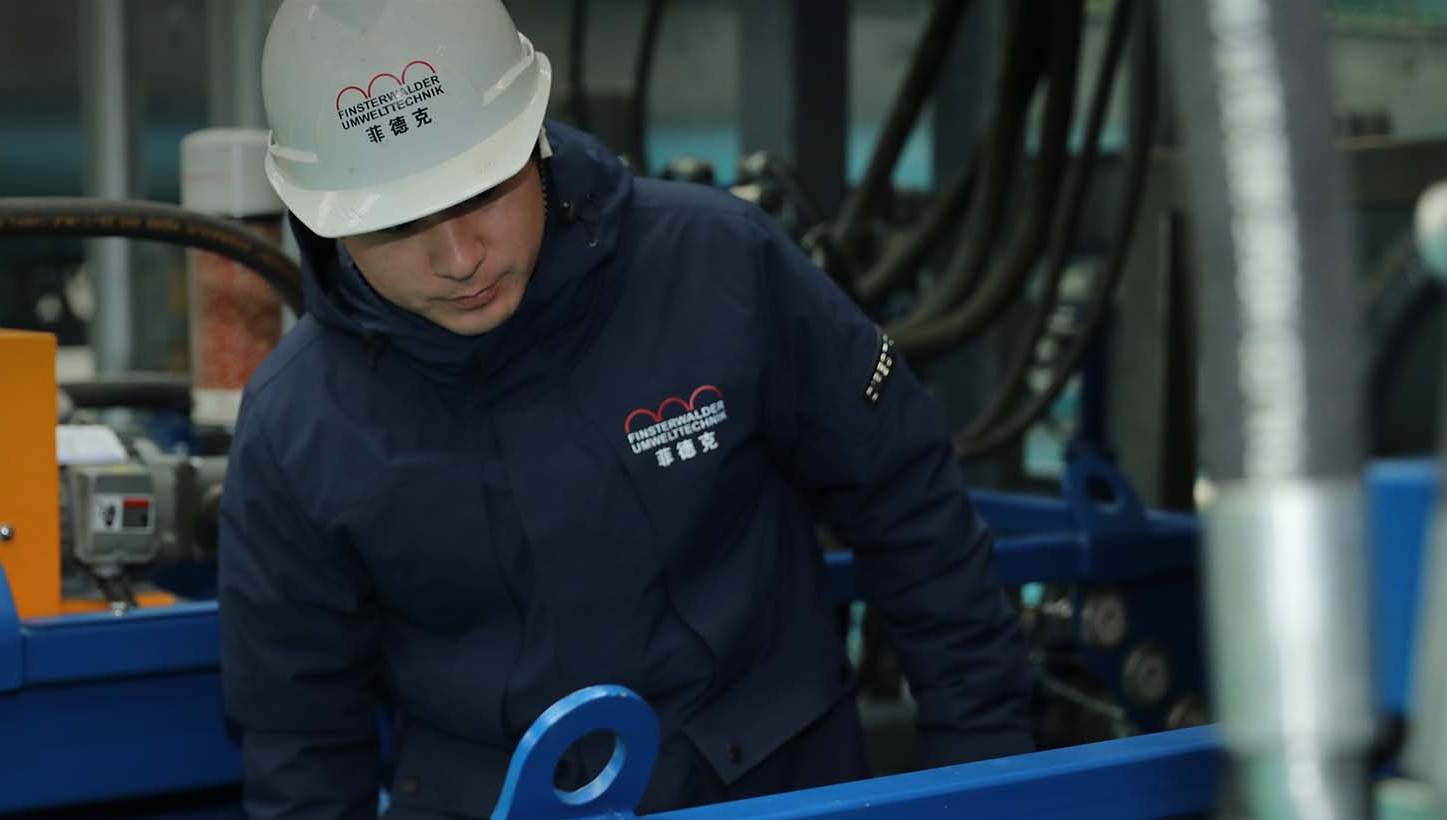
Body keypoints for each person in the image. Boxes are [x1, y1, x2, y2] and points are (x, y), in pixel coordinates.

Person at [219, 1, 1034, 817]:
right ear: (324, 218)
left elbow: (913, 514)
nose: (460, 259)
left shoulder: (721, 269)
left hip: (776, 792)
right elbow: (300, 739)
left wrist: (987, 776)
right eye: (398, 224)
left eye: (483, 189)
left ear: (533, 139)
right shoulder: (298, 428)